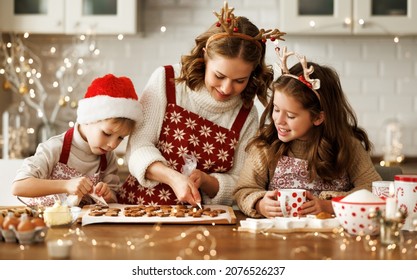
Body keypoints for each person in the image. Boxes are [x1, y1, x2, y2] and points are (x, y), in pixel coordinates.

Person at [117, 1, 285, 206]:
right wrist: (173, 177)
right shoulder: (167, 80)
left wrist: (207, 181)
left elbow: (240, 183)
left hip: (202, 219)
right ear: (205, 55)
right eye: (219, 75)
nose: (226, 89)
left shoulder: (246, 113)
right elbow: (137, 147)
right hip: (140, 208)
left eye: (240, 81)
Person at [234, 47, 382, 218]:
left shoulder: (348, 146)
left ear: (318, 118)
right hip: (279, 239)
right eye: (276, 109)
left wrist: (329, 206)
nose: (279, 120)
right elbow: (244, 190)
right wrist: (259, 204)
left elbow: (372, 187)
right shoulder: (265, 146)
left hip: (333, 239)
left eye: (290, 115)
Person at [12, 74, 142, 207]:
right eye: (107, 133)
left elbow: (114, 197)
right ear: (88, 119)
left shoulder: (107, 158)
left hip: (80, 224)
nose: (113, 144)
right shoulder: (54, 148)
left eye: (120, 138)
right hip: (43, 222)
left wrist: (108, 195)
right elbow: (19, 186)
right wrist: (66, 185)